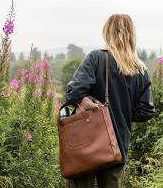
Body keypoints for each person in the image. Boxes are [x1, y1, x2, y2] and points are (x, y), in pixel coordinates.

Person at [65, 14, 156, 188]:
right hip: (117, 147)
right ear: (131, 34)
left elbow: (74, 92)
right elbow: (147, 111)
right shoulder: (141, 69)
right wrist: (122, 114)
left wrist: (86, 101)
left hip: (87, 145)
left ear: (107, 32)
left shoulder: (96, 58)